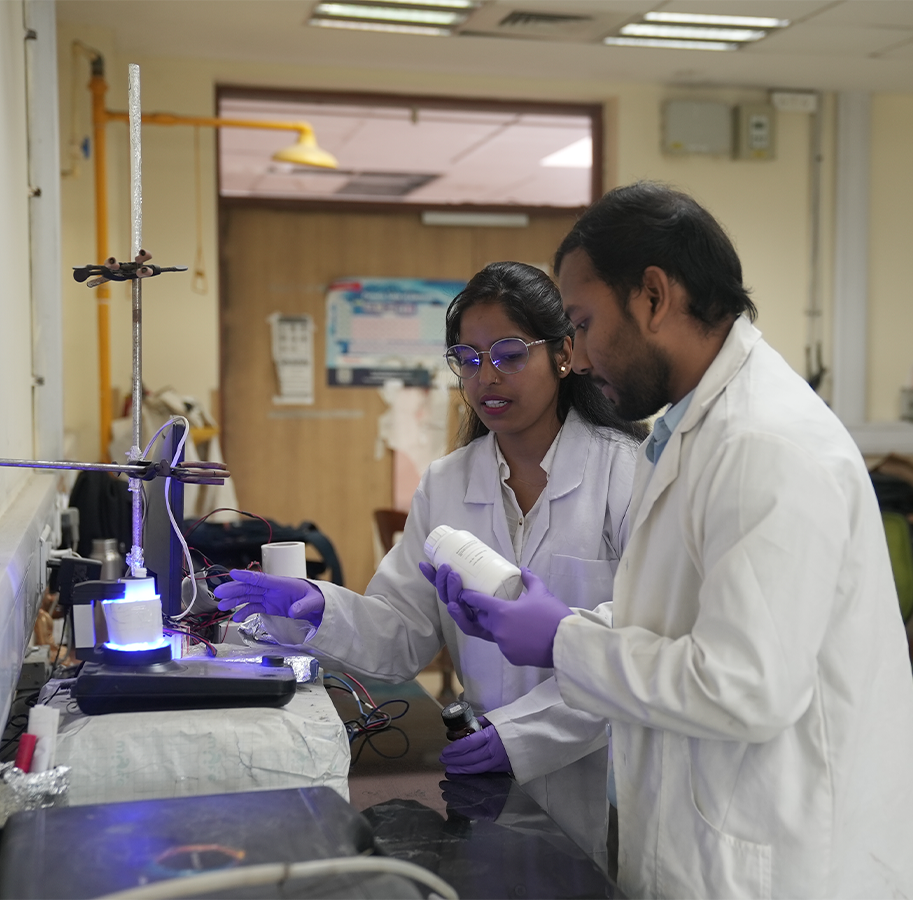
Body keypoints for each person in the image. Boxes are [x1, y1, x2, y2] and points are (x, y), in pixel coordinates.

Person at [439, 184, 913, 900]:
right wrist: (571, 623)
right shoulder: (691, 431)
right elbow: (680, 614)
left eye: (582, 324)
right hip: (716, 835)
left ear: (653, 297)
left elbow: (744, 688)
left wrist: (563, 643)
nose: (577, 358)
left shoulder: (765, 443)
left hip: (786, 861)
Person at [214, 261, 645, 865]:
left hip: (607, 777)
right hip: (483, 776)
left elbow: (635, 646)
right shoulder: (447, 484)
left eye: (509, 353)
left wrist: (521, 737)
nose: (486, 376)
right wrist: (319, 608)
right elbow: (404, 631)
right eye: (467, 358)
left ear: (565, 353)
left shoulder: (626, 474)